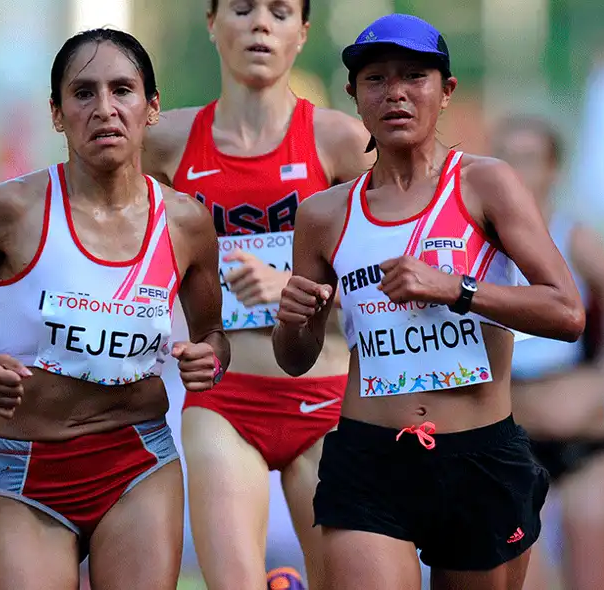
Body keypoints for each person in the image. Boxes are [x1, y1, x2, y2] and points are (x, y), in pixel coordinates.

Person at [0, 28, 229, 590]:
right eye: (83, 93)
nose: (104, 109)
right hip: (26, 469)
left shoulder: (186, 222)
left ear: (151, 108)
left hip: (137, 460)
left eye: (122, 90)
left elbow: (214, 338)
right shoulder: (10, 211)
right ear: (57, 113)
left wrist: (208, 359)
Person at [273, 13, 586, 590]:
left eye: (414, 76)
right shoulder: (323, 214)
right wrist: (295, 320)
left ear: (446, 92)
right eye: (376, 79)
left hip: (478, 457)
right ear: (354, 96)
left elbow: (567, 313)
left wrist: (457, 289)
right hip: (370, 459)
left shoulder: (486, 184)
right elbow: (295, 356)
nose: (395, 92)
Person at [141, 1, 373, 588]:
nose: (260, 24)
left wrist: (300, 292)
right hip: (225, 399)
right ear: (212, 24)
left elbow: (394, 281)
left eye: (279, 10)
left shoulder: (342, 141)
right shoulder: (165, 141)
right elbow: (97, 224)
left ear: (302, 32)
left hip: (326, 400)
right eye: (241, 8)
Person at [492, 115, 604, 590]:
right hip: (513, 444)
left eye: (528, 158)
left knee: (591, 581)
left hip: (583, 445)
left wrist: (597, 385)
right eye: (505, 158)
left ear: (554, 171)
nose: (516, 170)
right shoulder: (478, 243)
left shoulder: (576, 239)